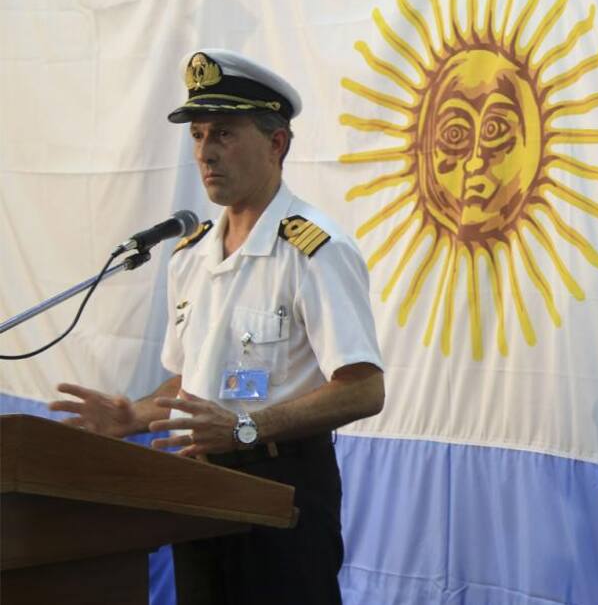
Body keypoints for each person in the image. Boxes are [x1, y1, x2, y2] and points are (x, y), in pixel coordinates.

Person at [49, 48, 385, 604]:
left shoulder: (313, 250)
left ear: (276, 143)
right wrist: (134, 414)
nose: (205, 153)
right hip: (200, 491)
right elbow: (190, 386)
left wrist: (246, 428)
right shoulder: (189, 255)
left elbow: (364, 388)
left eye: (224, 134)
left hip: (283, 489)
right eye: (199, 135)